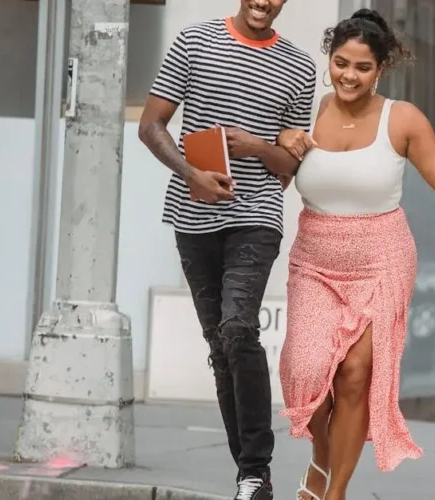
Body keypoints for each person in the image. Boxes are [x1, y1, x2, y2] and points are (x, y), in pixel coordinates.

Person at [272, 9, 435, 500]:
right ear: (329, 60)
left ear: (381, 69)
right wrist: (283, 139)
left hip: (381, 258)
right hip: (315, 258)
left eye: (362, 67)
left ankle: (334, 492)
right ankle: (321, 462)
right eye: (341, 63)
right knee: (304, 370)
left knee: (353, 375)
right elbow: (276, 168)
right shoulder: (308, 109)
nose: (349, 75)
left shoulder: (402, 118)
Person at [137, 1, 316, 499]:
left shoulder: (300, 65)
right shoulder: (194, 42)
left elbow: (290, 164)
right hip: (193, 216)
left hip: (256, 216)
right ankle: (250, 475)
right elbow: (151, 125)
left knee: (238, 327)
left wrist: (257, 146)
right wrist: (191, 173)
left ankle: (256, 470)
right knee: (219, 346)